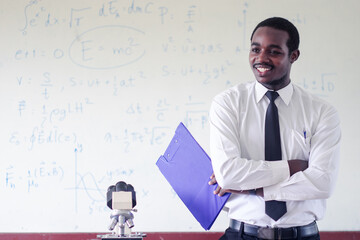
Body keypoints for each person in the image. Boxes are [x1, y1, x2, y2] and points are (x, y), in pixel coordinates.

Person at [208, 17, 341, 240]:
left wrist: (251, 188)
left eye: (274, 51)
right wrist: (292, 167)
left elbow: (322, 182)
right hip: (242, 234)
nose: (261, 58)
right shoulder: (227, 103)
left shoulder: (322, 112)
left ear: (294, 55)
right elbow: (228, 174)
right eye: (255, 49)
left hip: (303, 236)